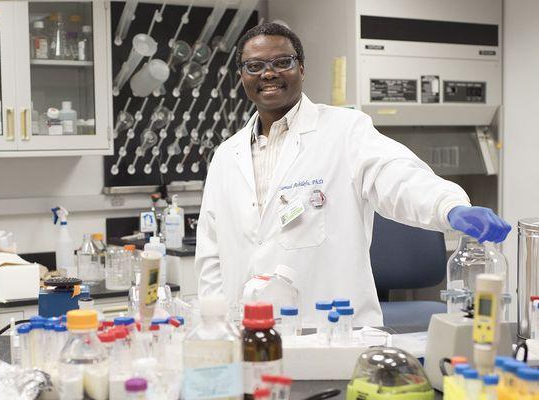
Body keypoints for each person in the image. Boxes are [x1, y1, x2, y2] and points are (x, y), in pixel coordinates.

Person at [195, 23, 511, 327]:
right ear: (241, 76)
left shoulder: (345, 130)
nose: (268, 73)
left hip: (330, 328)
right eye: (255, 66)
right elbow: (211, 255)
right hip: (247, 331)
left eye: (282, 62)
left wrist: (448, 206)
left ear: (301, 69)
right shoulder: (226, 156)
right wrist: (215, 326)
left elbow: (397, 175)